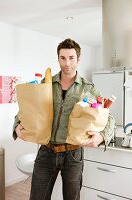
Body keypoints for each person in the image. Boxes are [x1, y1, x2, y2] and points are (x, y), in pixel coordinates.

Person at [13, 38, 115, 200]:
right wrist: (17, 125)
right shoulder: (45, 84)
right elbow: (28, 109)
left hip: (73, 154)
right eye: (63, 58)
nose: (67, 63)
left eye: (71, 58)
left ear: (78, 59)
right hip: (46, 151)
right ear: (58, 58)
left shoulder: (88, 88)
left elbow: (108, 117)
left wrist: (102, 136)